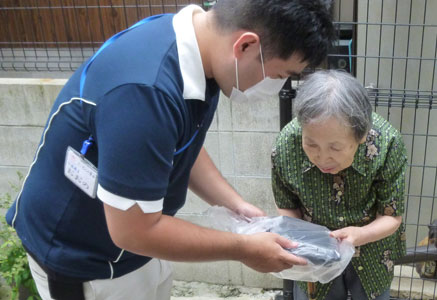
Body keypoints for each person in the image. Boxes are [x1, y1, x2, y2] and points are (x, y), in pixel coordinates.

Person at [5, 1, 336, 299]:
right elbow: (133, 231)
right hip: (82, 257)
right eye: (278, 75)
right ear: (245, 44)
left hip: (137, 239)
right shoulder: (145, 92)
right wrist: (244, 248)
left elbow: (178, 145)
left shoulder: (198, 52)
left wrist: (236, 205)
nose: (275, 86)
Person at [271, 70, 407, 300]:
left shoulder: (387, 143)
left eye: (335, 148)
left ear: (362, 135)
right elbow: (286, 206)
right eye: (311, 144)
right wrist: (310, 242)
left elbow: (391, 216)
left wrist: (359, 235)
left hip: (372, 249)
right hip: (314, 253)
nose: (322, 159)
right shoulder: (287, 144)